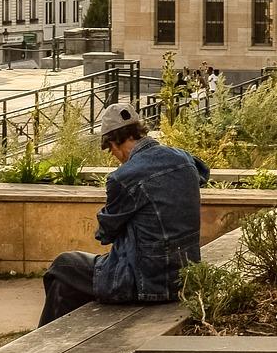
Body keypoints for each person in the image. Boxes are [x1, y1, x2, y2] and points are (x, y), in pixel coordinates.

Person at [39, 103, 209, 326]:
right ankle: (54, 341)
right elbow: (203, 174)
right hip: (184, 274)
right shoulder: (183, 158)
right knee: (64, 287)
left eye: (110, 150)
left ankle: (44, 340)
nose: (114, 156)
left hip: (145, 281)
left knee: (63, 266)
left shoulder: (123, 177)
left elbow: (106, 233)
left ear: (113, 142)